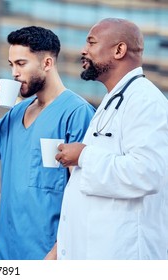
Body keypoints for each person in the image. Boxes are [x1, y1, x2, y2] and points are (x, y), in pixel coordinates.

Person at [0, 26, 95, 260]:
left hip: (48, 255)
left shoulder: (77, 113)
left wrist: (58, 253)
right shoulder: (16, 113)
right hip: (6, 253)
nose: (14, 73)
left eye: (21, 63)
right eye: (11, 65)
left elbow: (86, 193)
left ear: (47, 63)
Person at [56, 18, 168, 260]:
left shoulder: (145, 100)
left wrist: (83, 155)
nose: (83, 50)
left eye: (92, 42)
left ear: (119, 50)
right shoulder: (114, 100)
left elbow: (148, 172)